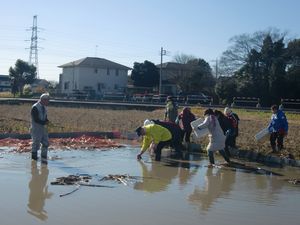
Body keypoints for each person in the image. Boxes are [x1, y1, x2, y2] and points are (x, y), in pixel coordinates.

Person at [30, 93, 50, 163]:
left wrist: (47, 121)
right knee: (36, 144)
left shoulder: (44, 107)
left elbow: (45, 117)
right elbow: (36, 119)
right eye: (47, 100)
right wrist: (44, 122)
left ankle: (44, 158)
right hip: (36, 129)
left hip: (43, 128)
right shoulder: (35, 107)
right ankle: (34, 160)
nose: (48, 102)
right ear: (43, 100)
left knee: (46, 143)